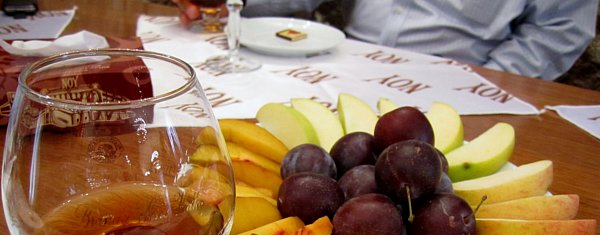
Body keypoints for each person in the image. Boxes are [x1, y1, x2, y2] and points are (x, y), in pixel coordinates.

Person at [171, 0, 598, 81]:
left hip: (463, 80)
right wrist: (236, 1)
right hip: (337, 65)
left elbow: (559, 28)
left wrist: (488, 85)